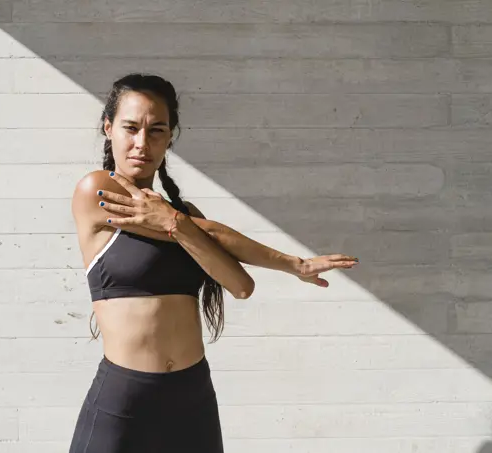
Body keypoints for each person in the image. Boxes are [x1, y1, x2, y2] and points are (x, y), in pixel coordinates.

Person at [68, 73, 359, 452]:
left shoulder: (183, 217)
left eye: (156, 130)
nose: (142, 143)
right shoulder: (97, 192)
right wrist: (294, 264)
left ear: (170, 137)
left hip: (191, 399)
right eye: (130, 128)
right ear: (108, 128)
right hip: (124, 401)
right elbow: (216, 235)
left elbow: (241, 285)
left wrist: (175, 221)